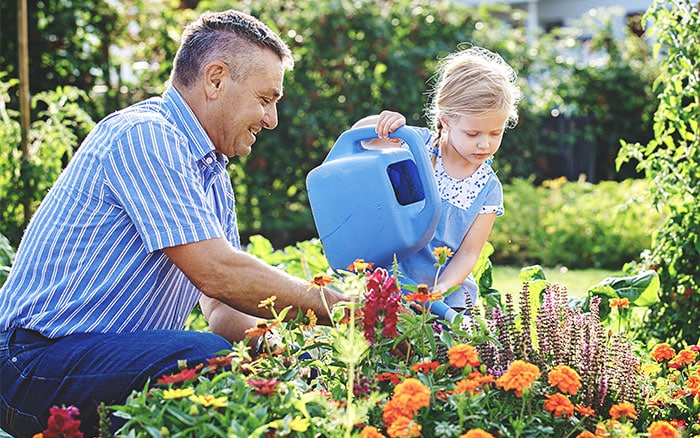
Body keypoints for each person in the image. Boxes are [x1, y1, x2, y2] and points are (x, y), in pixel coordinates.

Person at [0, 10, 349, 437]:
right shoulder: (146, 135)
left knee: (226, 357)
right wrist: (341, 307)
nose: (272, 119)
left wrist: (276, 347)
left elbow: (221, 307)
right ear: (216, 79)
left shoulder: (212, 175)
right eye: (266, 99)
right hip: (30, 365)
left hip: (81, 362)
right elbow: (216, 273)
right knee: (203, 356)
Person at [356, 46, 522, 314]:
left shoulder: (488, 189)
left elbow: (468, 253)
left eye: (495, 133)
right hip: (392, 285)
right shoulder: (415, 146)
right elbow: (360, 141)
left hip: (446, 301)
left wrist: (440, 288)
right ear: (445, 122)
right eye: (472, 133)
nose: (485, 143)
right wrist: (383, 122)